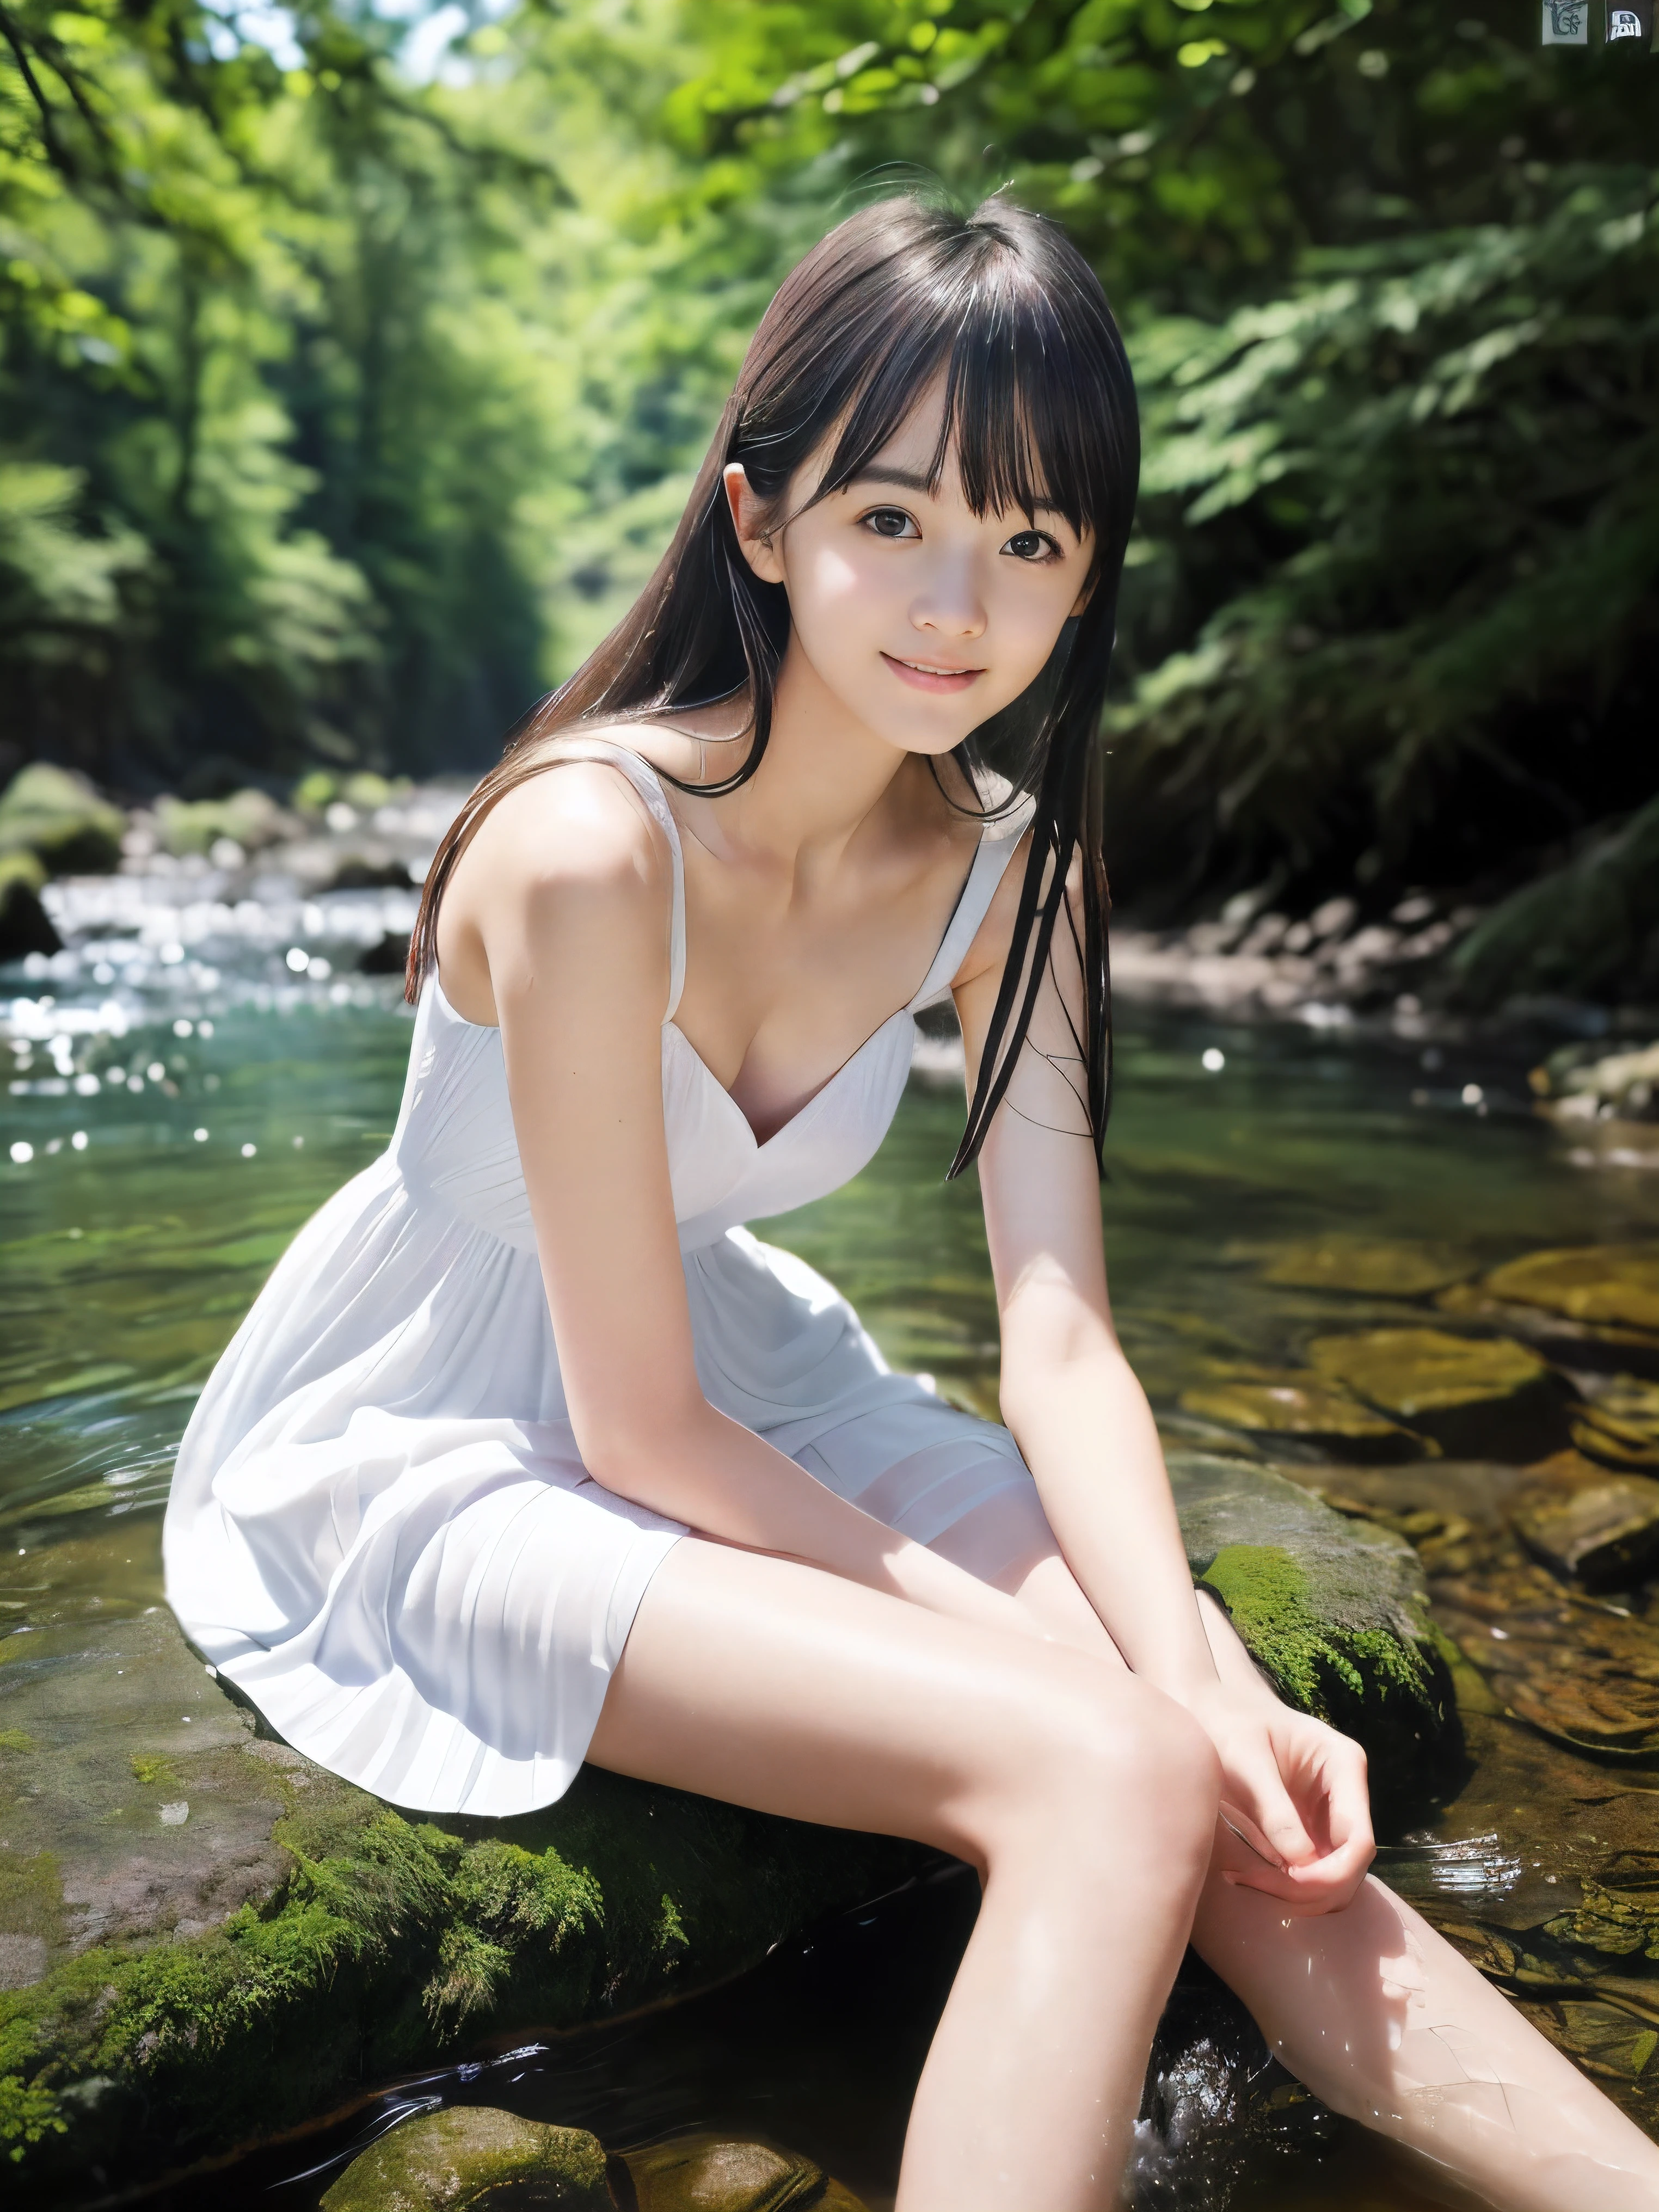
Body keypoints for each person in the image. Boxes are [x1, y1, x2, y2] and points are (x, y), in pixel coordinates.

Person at [163, 196, 1659, 2211]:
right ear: (761, 521)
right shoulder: (589, 851)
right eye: (895, 517)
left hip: (758, 1381)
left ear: (1086, 575)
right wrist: (1105, 1694)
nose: (958, 601)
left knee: (1225, 1764)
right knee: (1104, 1763)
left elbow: (1058, 1335)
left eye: (1030, 540)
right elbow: (634, 1431)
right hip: (458, 1431)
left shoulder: (1013, 866)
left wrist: (1203, 1668)